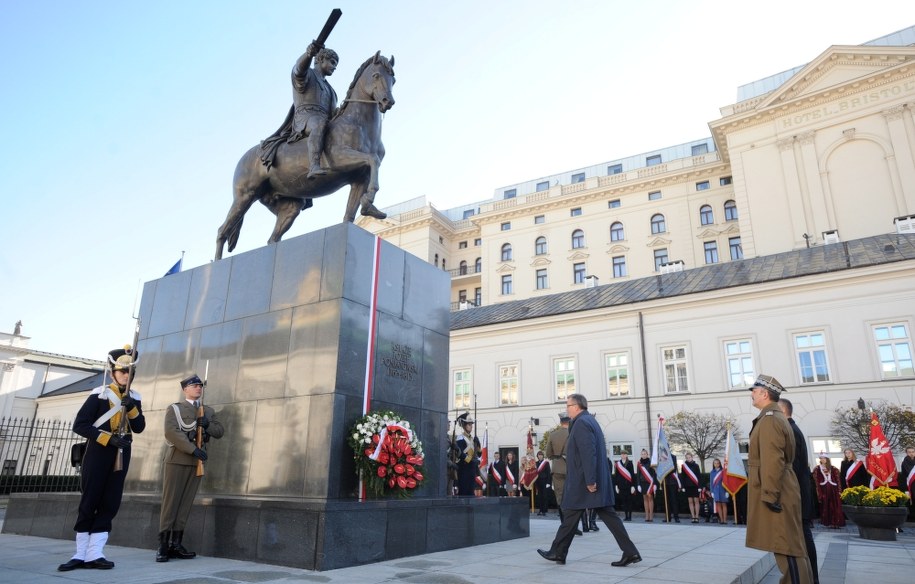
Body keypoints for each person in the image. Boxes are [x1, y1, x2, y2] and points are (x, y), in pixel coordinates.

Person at [58, 346, 146, 572]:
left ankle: (95, 553)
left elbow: (139, 427)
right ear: (113, 372)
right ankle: (80, 554)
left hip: (122, 453)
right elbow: (81, 425)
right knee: (90, 500)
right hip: (98, 451)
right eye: (122, 371)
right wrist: (107, 439)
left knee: (110, 502)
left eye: (130, 372)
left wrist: (132, 409)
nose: (126, 375)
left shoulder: (135, 397)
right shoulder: (99, 393)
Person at [536, 393, 641, 567]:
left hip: (585, 482)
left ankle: (558, 552)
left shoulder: (581, 423)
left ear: (576, 406)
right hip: (590, 480)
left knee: (571, 512)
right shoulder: (589, 421)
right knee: (597, 515)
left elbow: (588, 453)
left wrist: (590, 480)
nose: (566, 409)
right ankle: (559, 552)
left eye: (567, 405)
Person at [745, 374, 813, 584]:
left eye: (754, 392)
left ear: (765, 393)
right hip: (781, 489)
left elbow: (773, 461)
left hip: (778, 493)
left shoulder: (770, 420)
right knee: (789, 546)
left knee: (787, 547)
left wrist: (770, 495)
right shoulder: (772, 418)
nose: (752, 396)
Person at [157, 374, 225, 562]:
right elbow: (171, 432)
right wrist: (193, 449)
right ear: (185, 389)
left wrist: (207, 424)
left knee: (185, 503)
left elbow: (219, 431)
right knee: (171, 503)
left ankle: (176, 544)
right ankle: (163, 545)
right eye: (194, 385)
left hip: (197, 463)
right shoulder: (176, 409)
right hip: (178, 460)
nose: (198, 388)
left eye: (200, 386)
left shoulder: (208, 411)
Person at [779, 398, 819, 584]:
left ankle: (810, 577)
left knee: (802, 536)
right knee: (803, 535)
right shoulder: (794, 430)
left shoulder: (791, 432)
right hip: (800, 492)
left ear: (782, 411)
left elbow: (791, 467)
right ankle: (810, 577)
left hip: (797, 494)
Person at [451, 413, 480, 496]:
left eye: (471, 424)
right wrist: (471, 461)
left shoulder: (472, 438)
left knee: (471, 491)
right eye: (469, 424)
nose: (471, 426)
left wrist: (478, 444)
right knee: (464, 491)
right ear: (464, 425)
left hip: (472, 469)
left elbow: (479, 454)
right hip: (464, 468)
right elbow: (460, 454)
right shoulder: (460, 438)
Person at [812, 455, 845, 529]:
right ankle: (828, 521)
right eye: (821, 458)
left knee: (835, 505)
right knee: (826, 505)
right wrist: (818, 491)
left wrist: (839, 490)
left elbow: (838, 480)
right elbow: (816, 480)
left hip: (833, 489)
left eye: (824, 458)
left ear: (827, 459)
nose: (822, 459)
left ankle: (836, 521)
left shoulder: (833, 468)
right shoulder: (817, 469)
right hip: (824, 489)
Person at [614, 451, 636, 521]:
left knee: (629, 501)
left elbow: (632, 474)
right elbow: (616, 475)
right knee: (624, 501)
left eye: (624, 454)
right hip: (621, 485)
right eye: (622, 454)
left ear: (626, 455)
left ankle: (630, 516)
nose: (623, 455)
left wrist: (633, 485)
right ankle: (626, 516)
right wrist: (616, 485)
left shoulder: (630, 463)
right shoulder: (618, 464)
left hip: (628, 485)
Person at [680, 452, 702, 522]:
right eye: (687, 458)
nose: (688, 459)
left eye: (689, 457)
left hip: (695, 486)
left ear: (692, 457)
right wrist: (683, 486)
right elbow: (682, 477)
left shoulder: (696, 465)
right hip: (687, 486)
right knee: (690, 501)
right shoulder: (684, 466)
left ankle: (697, 516)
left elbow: (699, 476)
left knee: (696, 501)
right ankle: (693, 517)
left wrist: (700, 486)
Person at [636, 448, 656, 521]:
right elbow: (638, 474)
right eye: (642, 454)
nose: (643, 455)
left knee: (650, 498)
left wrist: (654, 484)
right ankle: (646, 515)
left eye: (645, 454)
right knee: (645, 499)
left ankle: (651, 516)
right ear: (641, 455)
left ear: (647, 455)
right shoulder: (639, 463)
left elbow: (654, 474)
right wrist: (638, 484)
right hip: (642, 483)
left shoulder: (651, 462)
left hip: (649, 483)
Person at [661, 453, 682, 523]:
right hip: (665, 482)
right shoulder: (661, 457)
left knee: (674, 500)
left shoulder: (673, 457)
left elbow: (674, 468)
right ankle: (668, 517)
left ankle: (676, 517)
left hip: (672, 482)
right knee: (666, 500)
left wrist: (665, 468)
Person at [709, 458, 730, 524]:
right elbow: (711, 483)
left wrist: (727, 491)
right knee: (718, 505)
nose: (716, 464)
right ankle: (721, 520)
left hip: (722, 490)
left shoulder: (723, 471)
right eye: (715, 463)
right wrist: (712, 491)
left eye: (717, 463)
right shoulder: (712, 472)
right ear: (713, 464)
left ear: (720, 464)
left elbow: (726, 482)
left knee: (724, 504)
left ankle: (725, 520)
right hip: (715, 491)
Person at [534, 451, 552, 515]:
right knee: (540, 496)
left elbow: (548, 473)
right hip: (538, 481)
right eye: (539, 455)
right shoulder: (536, 463)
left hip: (544, 481)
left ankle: (544, 511)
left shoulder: (546, 463)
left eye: (541, 455)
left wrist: (548, 482)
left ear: (543, 456)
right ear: (537, 456)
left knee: (545, 496)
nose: (540, 456)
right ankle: (540, 510)